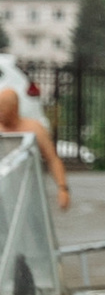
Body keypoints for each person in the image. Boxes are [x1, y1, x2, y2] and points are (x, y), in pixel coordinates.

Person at [0, 82, 70, 215]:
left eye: (2, 109)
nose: (0, 113)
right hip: (3, 193)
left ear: (14, 108)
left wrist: (62, 188)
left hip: (29, 192)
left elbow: (52, 159)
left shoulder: (34, 128)